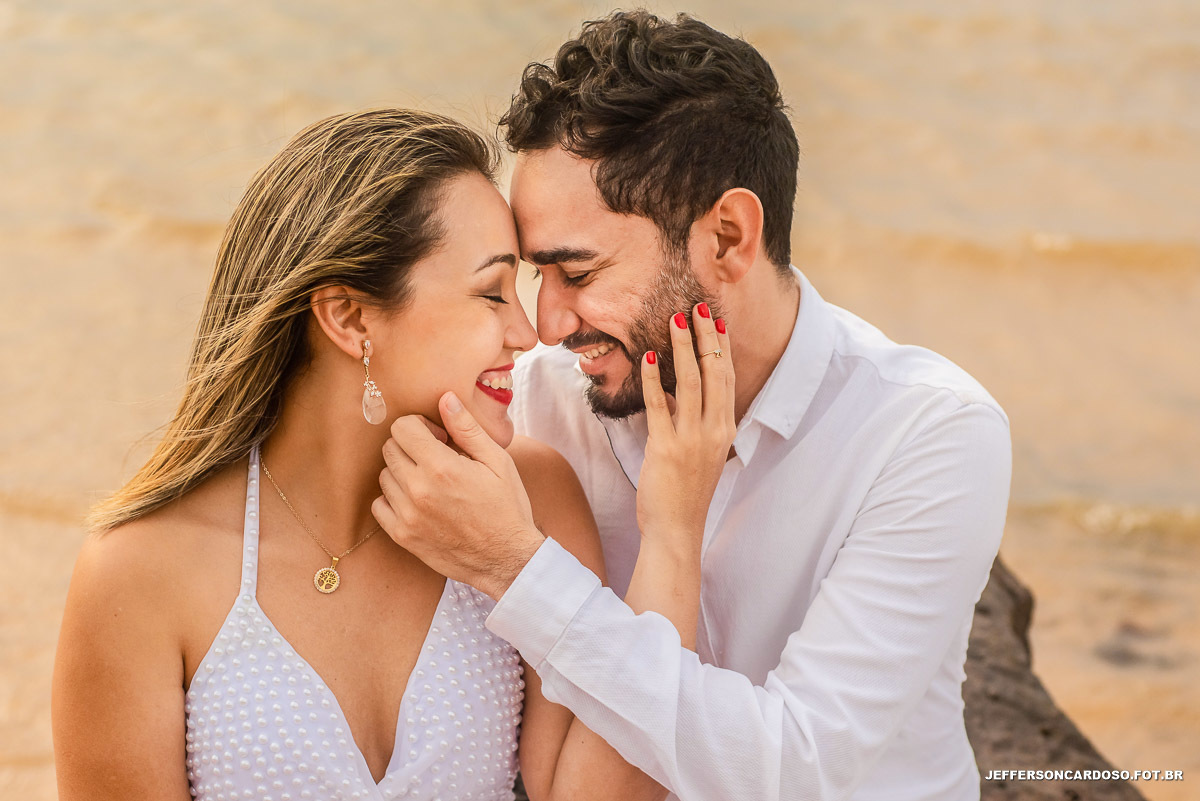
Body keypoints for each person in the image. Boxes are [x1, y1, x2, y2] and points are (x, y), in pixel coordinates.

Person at [374, 11, 1013, 801]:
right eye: (536, 275)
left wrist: (515, 567)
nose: (547, 325)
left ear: (728, 239)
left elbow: (797, 769)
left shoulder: (926, 433)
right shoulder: (536, 402)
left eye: (579, 274)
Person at [51, 108, 734, 801]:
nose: (528, 334)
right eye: (491, 294)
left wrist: (673, 532)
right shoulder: (138, 570)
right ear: (350, 318)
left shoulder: (534, 500)